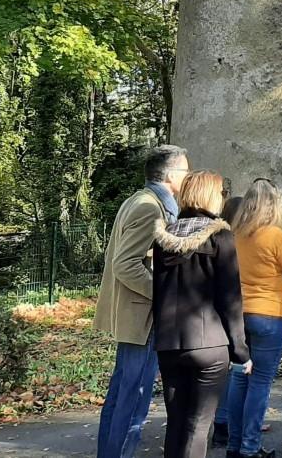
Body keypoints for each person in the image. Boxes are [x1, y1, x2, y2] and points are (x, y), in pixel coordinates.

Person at [94, 144, 190, 458]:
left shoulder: (141, 201)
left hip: (138, 317)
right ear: (172, 174)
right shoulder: (149, 207)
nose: (187, 176)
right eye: (185, 170)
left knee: (124, 392)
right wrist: (164, 293)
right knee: (133, 396)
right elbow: (125, 264)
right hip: (142, 319)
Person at [152, 171, 250, 458]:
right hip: (209, 343)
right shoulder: (221, 236)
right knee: (197, 426)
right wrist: (241, 351)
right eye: (220, 193)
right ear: (210, 196)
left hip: (169, 343)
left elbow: (158, 292)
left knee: (176, 423)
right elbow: (231, 298)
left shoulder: (163, 237)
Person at [225, 179, 282, 458]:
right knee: (261, 381)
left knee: (240, 377)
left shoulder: (235, 234)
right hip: (270, 313)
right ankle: (250, 447)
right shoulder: (275, 236)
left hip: (239, 313)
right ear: (273, 205)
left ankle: (234, 444)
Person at [214, 195, 245, 449]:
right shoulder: (232, 241)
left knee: (227, 373)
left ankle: (223, 424)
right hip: (236, 312)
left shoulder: (221, 238)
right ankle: (228, 424)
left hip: (222, 312)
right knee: (236, 371)